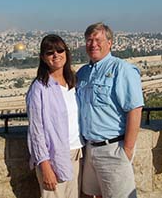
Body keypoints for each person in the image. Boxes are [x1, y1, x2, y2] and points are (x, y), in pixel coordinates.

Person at [76, 22, 144, 198]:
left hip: (113, 148)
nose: (93, 44)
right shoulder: (82, 73)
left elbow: (135, 109)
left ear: (110, 42)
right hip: (90, 149)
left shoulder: (121, 69)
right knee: (90, 195)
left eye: (98, 40)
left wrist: (126, 150)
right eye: (89, 40)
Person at [26, 34, 84, 198]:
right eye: (50, 52)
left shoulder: (73, 83)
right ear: (43, 58)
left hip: (77, 154)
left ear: (66, 52)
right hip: (54, 158)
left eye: (60, 50)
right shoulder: (39, 89)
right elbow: (36, 131)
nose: (56, 55)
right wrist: (45, 167)